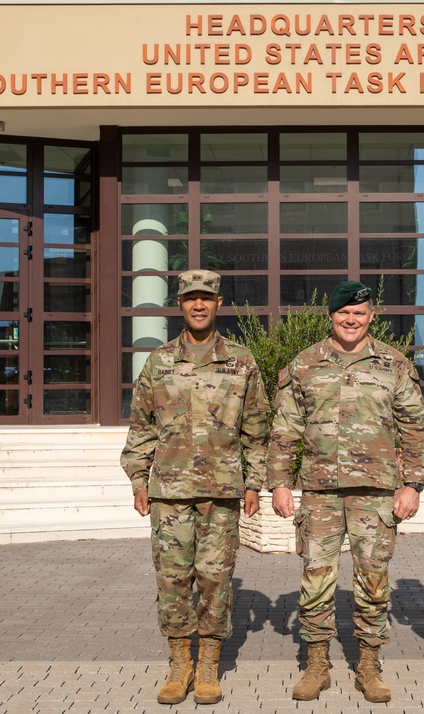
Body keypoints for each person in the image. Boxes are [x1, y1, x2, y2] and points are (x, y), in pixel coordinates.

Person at [267, 280, 424, 703]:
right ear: (332, 316)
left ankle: (368, 666)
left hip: (376, 494)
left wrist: (413, 485)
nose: (351, 319)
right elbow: (285, 428)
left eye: (359, 313)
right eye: (344, 313)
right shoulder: (304, 364)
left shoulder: (393, 364)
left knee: (373, 582)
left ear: (371, 316)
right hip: (319, 493)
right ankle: (317, 664)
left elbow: (414, 427)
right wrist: (280, 483)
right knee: (316, 580)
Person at [120, 269, 269, 706]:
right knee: (172, 580)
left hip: (222, 493)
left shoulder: (241, 361)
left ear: (219, 303)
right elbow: (142, 426)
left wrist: (254, 483)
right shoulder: (159, 361)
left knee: (215, 579)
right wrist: (138, 480)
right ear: (180, 305)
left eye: (206, 298)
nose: (198, 305)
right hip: (169, 492)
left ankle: (208, 665)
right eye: (190, 298)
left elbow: (257, 429)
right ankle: (179, 662)